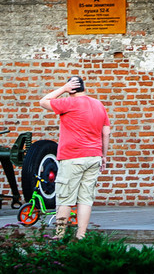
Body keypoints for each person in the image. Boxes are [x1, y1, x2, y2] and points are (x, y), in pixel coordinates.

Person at [39, 75, 111, 238]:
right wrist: (104, 156)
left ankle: (59, 236)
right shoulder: (98, 105)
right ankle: (81, 235)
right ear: (84, 88)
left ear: (71, 89)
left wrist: (63, 89)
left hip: (72, 157)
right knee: (85, 198)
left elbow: (43, 101)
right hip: (94, 156)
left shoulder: (68, 103)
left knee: (65, 197)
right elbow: (106, 132)